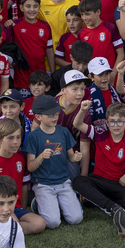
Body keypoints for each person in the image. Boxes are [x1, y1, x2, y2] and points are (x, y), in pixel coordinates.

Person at [73, 101, 125, 237]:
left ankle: (100, 203)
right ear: (107, 123)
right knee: (78, 181)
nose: (116, 125)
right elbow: (77, 124)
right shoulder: (100, 133)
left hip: (119, 184)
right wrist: (82, 110)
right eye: (112, 121)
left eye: (120, 121)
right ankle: (114, 209)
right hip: (98, 180)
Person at [23, 94, 83, 229]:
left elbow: (70, 157)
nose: (55, 117)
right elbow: (30, 167)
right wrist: (41, 157)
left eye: (56, 113)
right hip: (43, 184)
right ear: (38, 117)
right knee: (52, 223)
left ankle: (56, 204)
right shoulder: (34, 136)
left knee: (76, 219)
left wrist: (76, 157)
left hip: (63, 182)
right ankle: (40, 204)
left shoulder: (63, 131)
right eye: (50, 115)